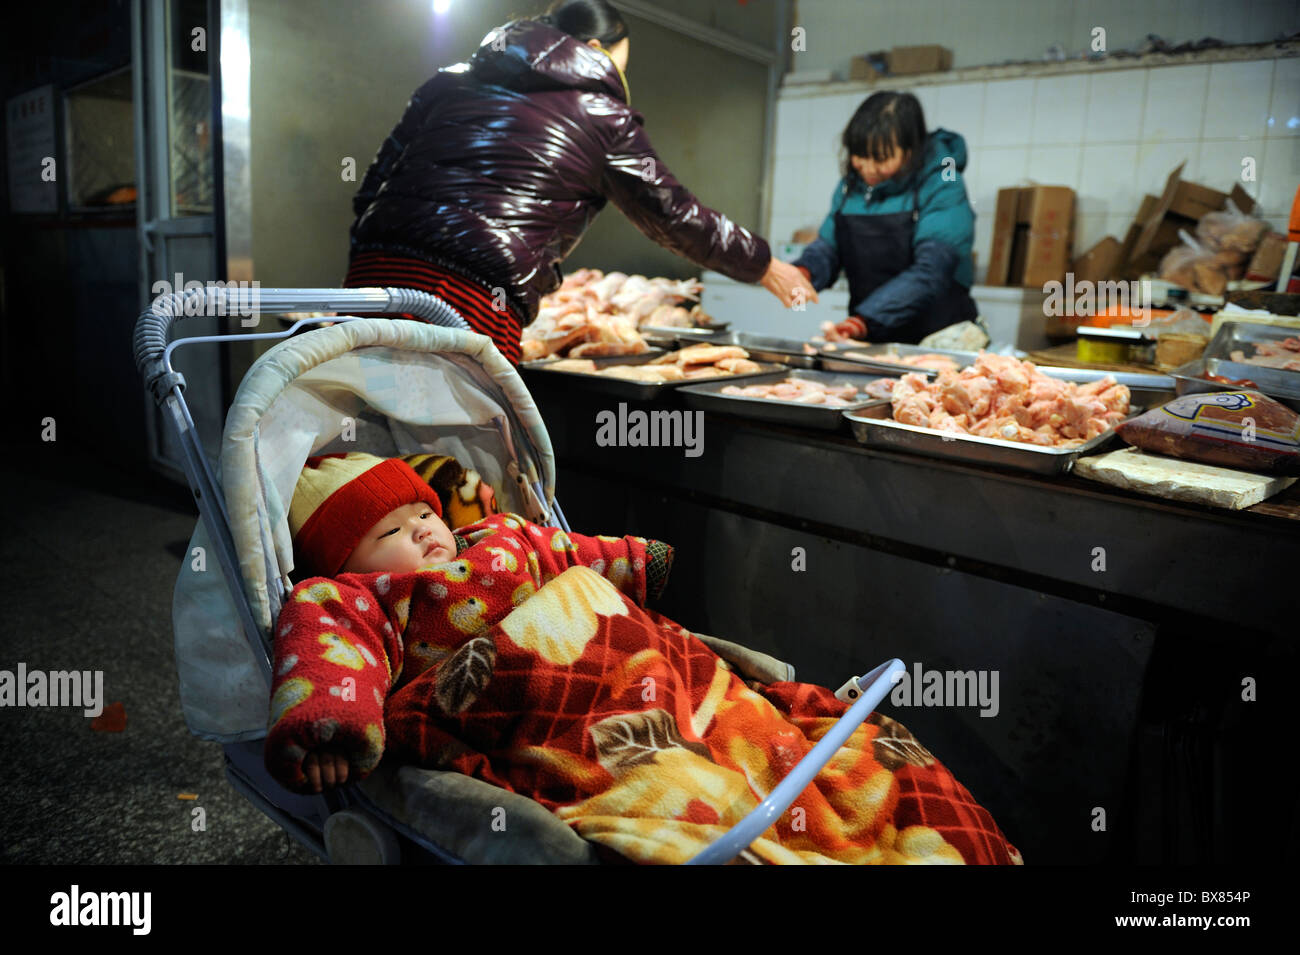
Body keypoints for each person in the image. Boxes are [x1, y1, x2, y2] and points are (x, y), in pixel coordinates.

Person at [263, 452, 1024, 865]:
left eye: (425, 510)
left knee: (821, 746)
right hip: (548, 706)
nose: (426, 531)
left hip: (654, 674)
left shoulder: (503, 540)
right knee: (690, 784)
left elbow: (570, 553)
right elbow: (326, 654)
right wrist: (328, 726)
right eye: (392, 530)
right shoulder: (362, 599)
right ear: (352, 564)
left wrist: (631, 562)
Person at [344, 0, 815, 365]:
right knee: (454, 458)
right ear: (594, 52)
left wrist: (383, 250)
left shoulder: (448, 81)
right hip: (476, 295)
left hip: (371, 274)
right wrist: (765, 265)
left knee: (362, 440)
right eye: (619, 68)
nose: (618, 82)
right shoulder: (603, 115)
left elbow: (372, 186)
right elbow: (674, 213)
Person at [794, 91, 978, 345]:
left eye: (880, 159)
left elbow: (933, 269)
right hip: (872, 333)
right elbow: (828, 246)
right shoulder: (850, 188)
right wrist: (803, 273)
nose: (867, 168)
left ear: (910, 150)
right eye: (859, 155)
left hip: (936, 338)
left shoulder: (943, 184)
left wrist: (864, 321)